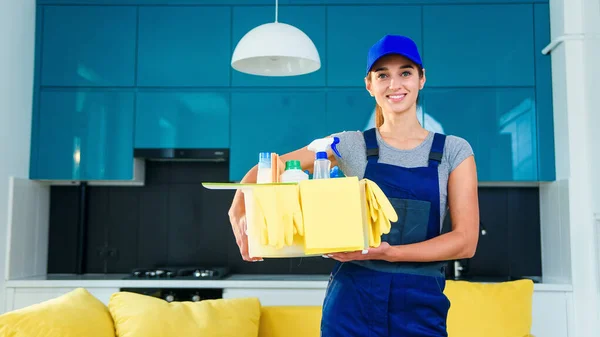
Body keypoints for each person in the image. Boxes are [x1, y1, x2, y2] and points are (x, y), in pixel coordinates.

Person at [228, 34, 480, 336]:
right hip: (352, 303)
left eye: (405, 72)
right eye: (382, 75)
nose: (394, 84)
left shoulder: (453, 151)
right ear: (369, 85)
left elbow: (465, 242)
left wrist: (388, 253)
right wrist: (239, 206)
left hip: (420, 305)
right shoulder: (347, 145)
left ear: (421, 79)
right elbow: (268, 168)